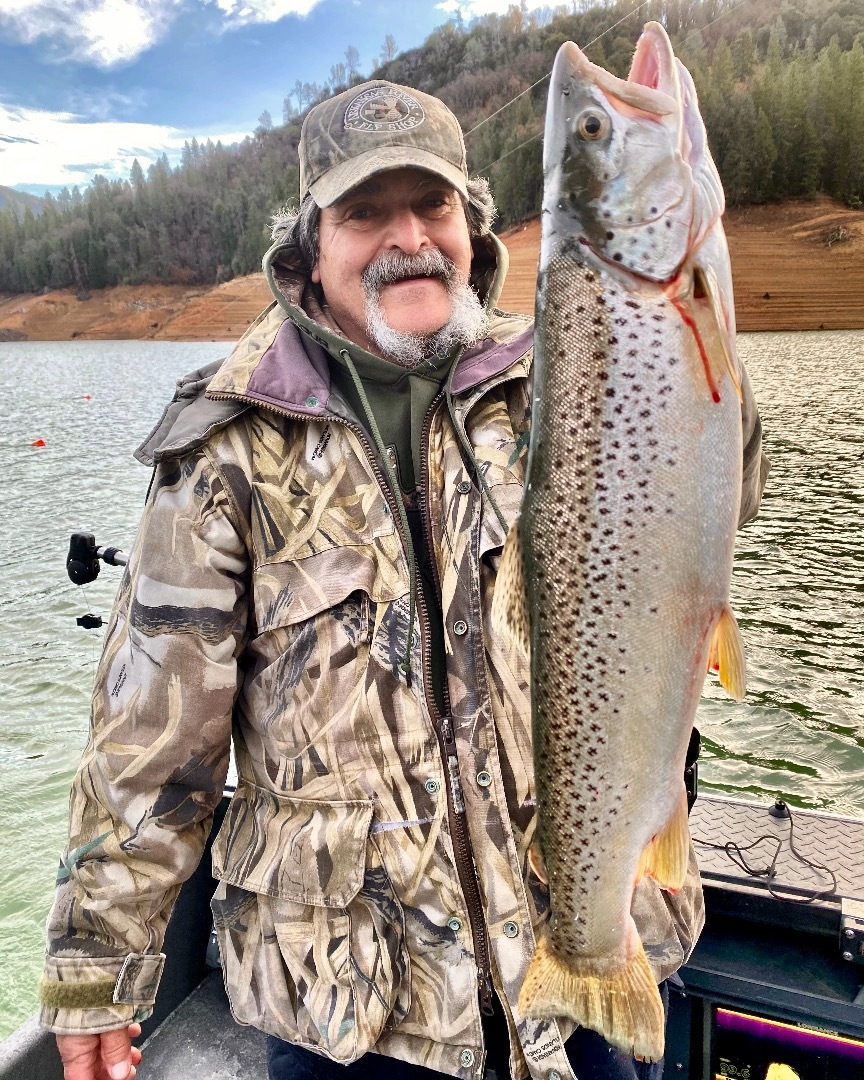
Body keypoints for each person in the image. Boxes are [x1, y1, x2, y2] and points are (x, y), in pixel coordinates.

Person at [39, 79, 768, 1080]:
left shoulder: (569, 369)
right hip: (351, 1013)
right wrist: (96, 970)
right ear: (309, 245)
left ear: (469, 220)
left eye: (430, 206)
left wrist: (694, 325)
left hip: (586, 959)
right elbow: (152, 739)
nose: (406, 238)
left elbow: (721, 497)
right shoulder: (227, 448)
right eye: (365, 213)